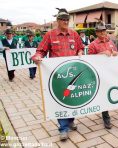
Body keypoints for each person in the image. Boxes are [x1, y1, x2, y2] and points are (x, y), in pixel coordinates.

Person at [32, 8, 84, 141]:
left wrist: (80, 53)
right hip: (58, 75)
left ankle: (70, 121)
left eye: (67, 19)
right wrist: (37, 56)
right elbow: (41, 51)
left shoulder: (74, 34)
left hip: (73, 73)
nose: (65, 21)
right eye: (63, 19)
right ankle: (63, 129)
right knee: (62, 100)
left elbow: (80, 47)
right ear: (58, 21)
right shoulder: (50, 35)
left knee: (72, 100)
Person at [88, 23, 118, 129]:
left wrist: (115, 53)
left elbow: (116, 53)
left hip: (110, 73)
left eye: (104, 31)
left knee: (108, 93)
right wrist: (101, 54)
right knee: (103, 94)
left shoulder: (110, 42)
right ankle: (106, 117)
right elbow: (89, 60)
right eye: (100, 31)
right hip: (99, 74)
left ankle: (104, 110)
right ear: (96, 33)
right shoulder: (92, 45)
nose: (103, 33)